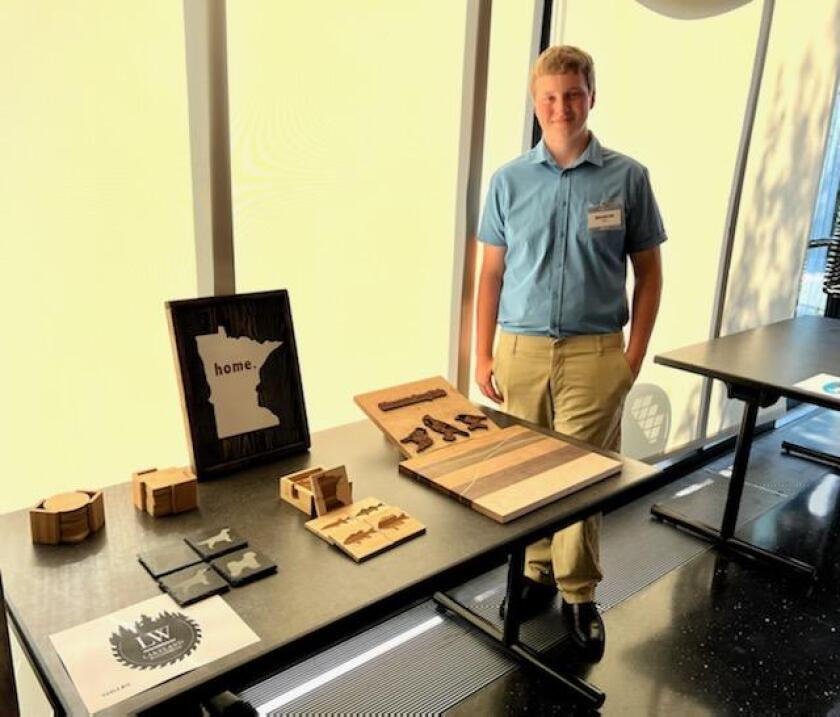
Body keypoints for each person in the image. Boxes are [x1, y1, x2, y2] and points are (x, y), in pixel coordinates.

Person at [475, 45, 665, 661]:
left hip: (594, 352)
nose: (561, 107)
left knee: (582, 477)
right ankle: (535, 572)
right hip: (521, 349)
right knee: (528, 471)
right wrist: (482, 354)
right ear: (535, 104)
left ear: (592, 96)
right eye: (549, 97)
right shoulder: (508, 181)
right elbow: (491, 276)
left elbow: (649, 273)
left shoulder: (627, 177)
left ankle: (579, 592)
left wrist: (631, 358)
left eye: (573, 94)